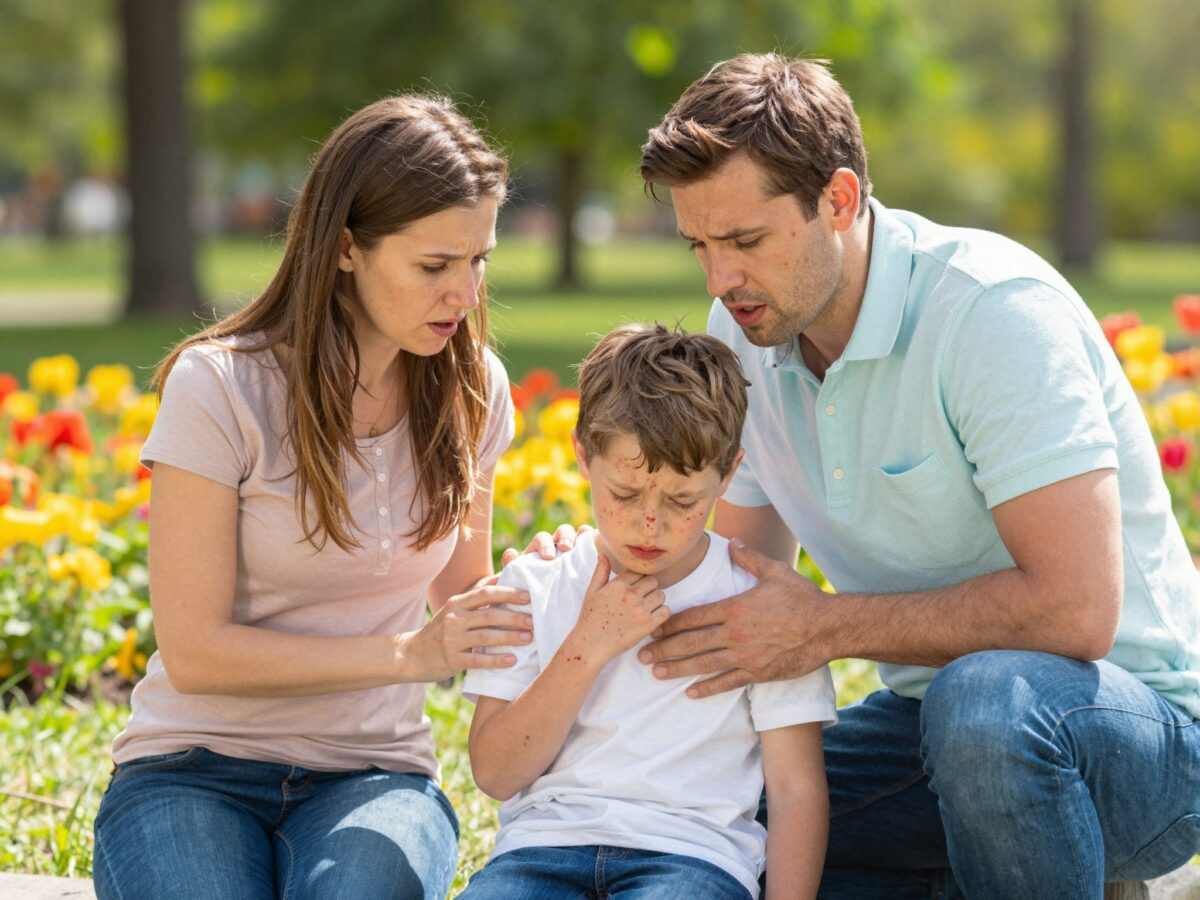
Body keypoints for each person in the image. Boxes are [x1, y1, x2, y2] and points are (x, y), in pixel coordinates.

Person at [628, 53, 1200, 898]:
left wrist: (821, 627)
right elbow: (732, 586)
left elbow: (1075, 612)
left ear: (841, 200)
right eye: (700, 245)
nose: (721, 280)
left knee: (985, 709)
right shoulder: (742, 330)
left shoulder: (990, 312)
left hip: (1136, 736)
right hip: (934, 732)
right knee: (724, 808)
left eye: (745, 241)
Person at [92, 94, 534, 900]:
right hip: (192, 770)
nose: (466, 295)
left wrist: (539, 586)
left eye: (479, 261)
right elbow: (194, 651)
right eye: (434, 266)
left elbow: (461, 588)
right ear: (344, 251)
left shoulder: (474, 390)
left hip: (372, 776)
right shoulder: (221, 387)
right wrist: (412, 655)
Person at [458, 324, 837, 900]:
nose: (650, 522)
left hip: (690, 860)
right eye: (626, 493)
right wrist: (588, 646)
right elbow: (495, 772)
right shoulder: (537, 582)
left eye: (683, 500)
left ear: (729, 474)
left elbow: (795, 791)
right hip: (540, 854)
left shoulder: (762, 609)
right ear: (583, 456)